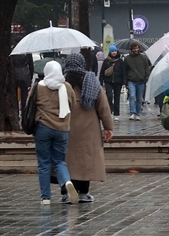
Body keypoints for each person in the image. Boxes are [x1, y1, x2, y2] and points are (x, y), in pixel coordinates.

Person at [62, 53, 114, 203]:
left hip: (66, 126)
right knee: (86, 160)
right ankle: (84, 192)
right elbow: (103, 106)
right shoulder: (91, 81)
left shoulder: (62, 82)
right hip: (88, 127)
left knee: (67, 159)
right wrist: (108, 127)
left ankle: (66, 191)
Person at [33, 61, 78, 205]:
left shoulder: (38, 87)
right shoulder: (67, 86)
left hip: (43, 128)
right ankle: (67, 181)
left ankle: (45, 197)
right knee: (59, 161)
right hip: (62, 129)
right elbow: (73, 105)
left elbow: (29, 105)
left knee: (44, 162)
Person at [123, 41, 151, 120]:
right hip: (131, 80)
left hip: (141, 81)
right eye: (134, 48)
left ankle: (138, 113)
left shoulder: (143, 57)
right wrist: (125, 81)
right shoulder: (127, 59)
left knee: (139, 98)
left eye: (137, 48)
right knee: (132, 96)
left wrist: (146, 77)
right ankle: (133, 113)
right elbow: (125, 70)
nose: (136, 49)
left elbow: (146, 68)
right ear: (131, 49)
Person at [100, 45, 126, 120]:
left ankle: (116, 114)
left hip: (118, 82)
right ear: (110, 52)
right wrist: (100, 82)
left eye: (115, 51)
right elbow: (102, 72)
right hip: (108, 81)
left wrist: (124, 82)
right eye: (112, 51)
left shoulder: (120, 61)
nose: (114, 52)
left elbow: (123, 71)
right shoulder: (106, 61)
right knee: (109, 96)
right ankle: (110, 111)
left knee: (117, 98)